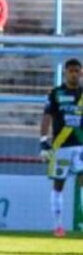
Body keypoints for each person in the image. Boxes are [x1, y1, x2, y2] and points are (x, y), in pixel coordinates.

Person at [40, 58, 82, 237]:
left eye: (77, 71)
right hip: (61, 146)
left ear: (81, 73)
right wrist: (43, 141)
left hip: (81, 146)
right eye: (71, 71)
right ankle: (57, 225)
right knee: (58, 184)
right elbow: (47, 116)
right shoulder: (56, 93)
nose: (74, 74)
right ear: (65, 73)